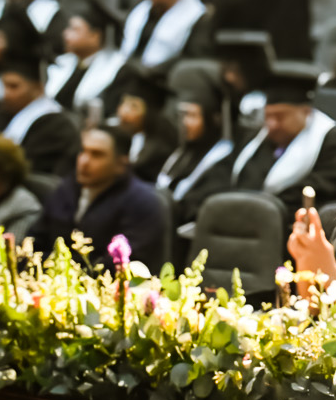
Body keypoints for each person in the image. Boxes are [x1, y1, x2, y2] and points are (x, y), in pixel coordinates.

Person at [228, 61, 336, 218]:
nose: (272, 125)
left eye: (280, 117)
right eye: (268, 116)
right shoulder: (255, 138)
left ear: (306, 112)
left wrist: (262, 208)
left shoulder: (334, 141)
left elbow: (321, 191)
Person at [34, 125, 168, 270]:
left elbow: (121, 267)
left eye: (97, 155)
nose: (84, 161)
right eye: (83, 151)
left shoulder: (142, 202)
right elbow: (35, 241)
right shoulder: (66, 189)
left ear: (120, 164)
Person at [153, 79, 235, 241]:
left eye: (192, 116)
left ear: (213, 119)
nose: (184, 123)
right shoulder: (182, 152)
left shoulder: (223, 161)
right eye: (182, 115)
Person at [0, 51, 81, 178]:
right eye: (4, 86)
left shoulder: (54, 125)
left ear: (38, 88)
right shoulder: (5, 114)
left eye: (13, 87)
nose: (5, 94)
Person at [119, 0, 207, 71]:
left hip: (162, 73)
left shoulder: (196, 15)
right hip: (132, 66)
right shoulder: (145, 8)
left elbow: (189, 56)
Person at [44, 1, 125, 116]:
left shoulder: (116, 69)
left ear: (95, 35)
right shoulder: (62, 62)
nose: (66, 34)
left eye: (74, 29)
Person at [110, 68, 179, 184]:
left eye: (134, 106)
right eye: (123, 102)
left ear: (150, 113)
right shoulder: (110, 129)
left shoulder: (159, 150)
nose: (123, 112)